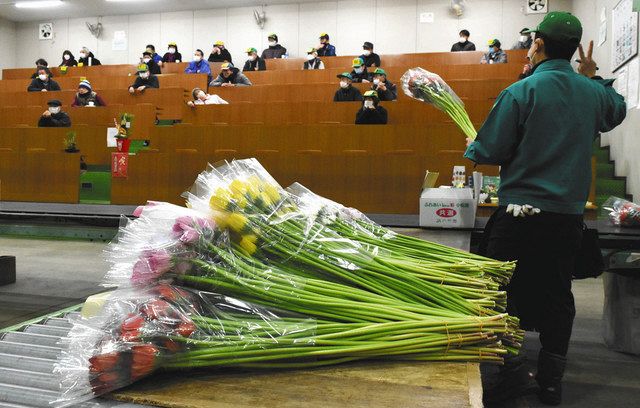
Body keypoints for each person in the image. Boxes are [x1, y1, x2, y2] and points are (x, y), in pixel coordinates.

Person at [465, 12, 626, 406]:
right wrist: (592, 74)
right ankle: (551, 382)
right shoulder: (592, 93)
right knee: (557, 295)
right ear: (574, 51)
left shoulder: (522, 91)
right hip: (565, 217)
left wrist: (474, 145)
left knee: (502, 292)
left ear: (537, 44)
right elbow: (617, 107)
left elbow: (488, 151)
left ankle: (511, 371)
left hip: (519, 215)